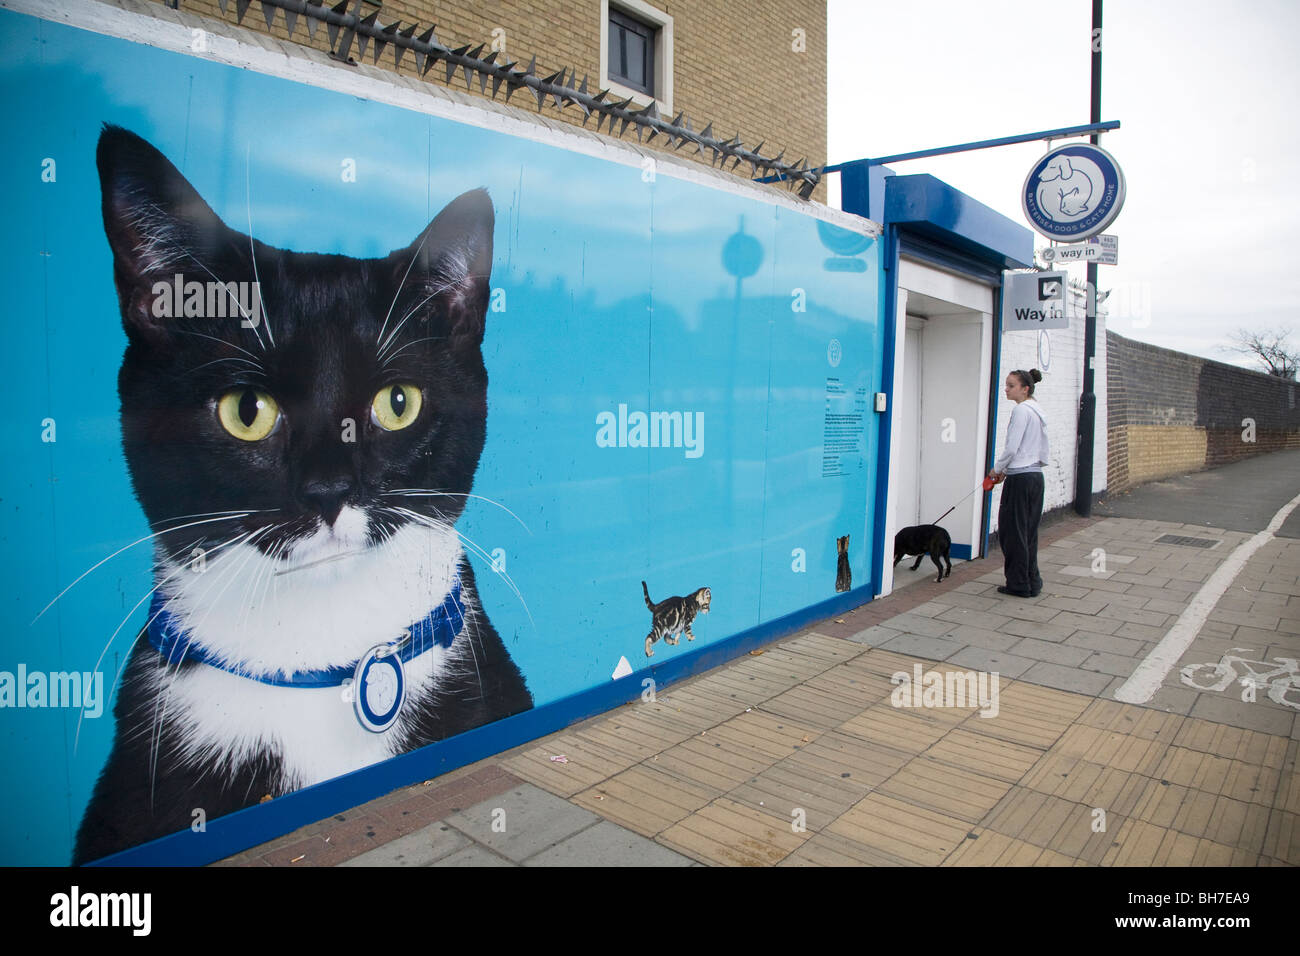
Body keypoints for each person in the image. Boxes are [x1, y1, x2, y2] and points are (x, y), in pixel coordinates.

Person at [987, 368, 1048, 598]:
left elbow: (1012, 447)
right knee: (1028, 532)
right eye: (1006, 385)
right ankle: (1033, 581)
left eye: (1011, 385)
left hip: (1020, 479)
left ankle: (1018, 584)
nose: (1006, 389)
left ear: (1025, 388)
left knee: (1012, 533)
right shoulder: (1038, 410)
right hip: (1035, 477)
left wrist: (997, 469)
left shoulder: (1021, 411)